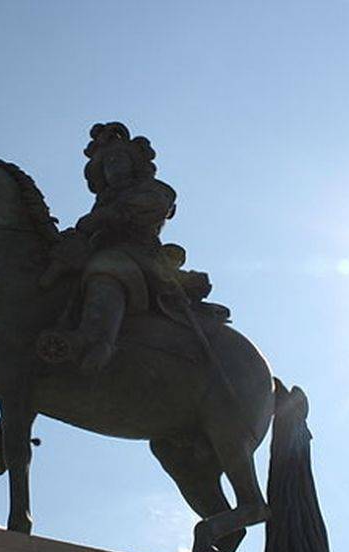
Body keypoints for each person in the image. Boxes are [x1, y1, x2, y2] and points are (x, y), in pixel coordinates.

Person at [39, 122, 217, 373]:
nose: (113, 167)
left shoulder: (154, 190)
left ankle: (95, 339)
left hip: (138, 255)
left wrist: (106, 217)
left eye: (118, 159)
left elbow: (154, 205)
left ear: (135, 163)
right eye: (107, 164)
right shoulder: (104, 199)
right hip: (96, 250)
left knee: (108, 267)